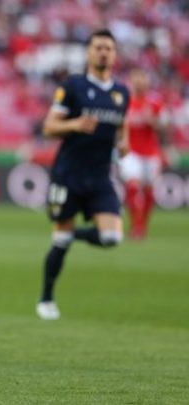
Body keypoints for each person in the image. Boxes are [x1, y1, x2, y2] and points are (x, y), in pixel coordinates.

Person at [37, 29, 131, 320]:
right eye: (98, 47)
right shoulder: (74, 86)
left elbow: (122, 127)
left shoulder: (121, 93)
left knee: (112, 237)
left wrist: (124, 142)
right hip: (69, 174)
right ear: (89, 53)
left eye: (108, 48)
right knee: (60, 244)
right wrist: (75, 124)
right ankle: (46, 299)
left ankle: (71, 233)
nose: (103, 52)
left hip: (100, 177)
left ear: (115, 55)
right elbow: (49, 127)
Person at [119, 68, 170, 240]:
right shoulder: (125, 102)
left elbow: (165, 126)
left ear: (147, 81)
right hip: (131, 152)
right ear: (131, 81)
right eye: (136, 78)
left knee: (149, 191)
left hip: (151, 153)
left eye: (142, 78)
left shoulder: (155, 102)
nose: (139, 82)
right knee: (133, 187)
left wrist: (152, 121)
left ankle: (143, 225)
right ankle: (136, 226)